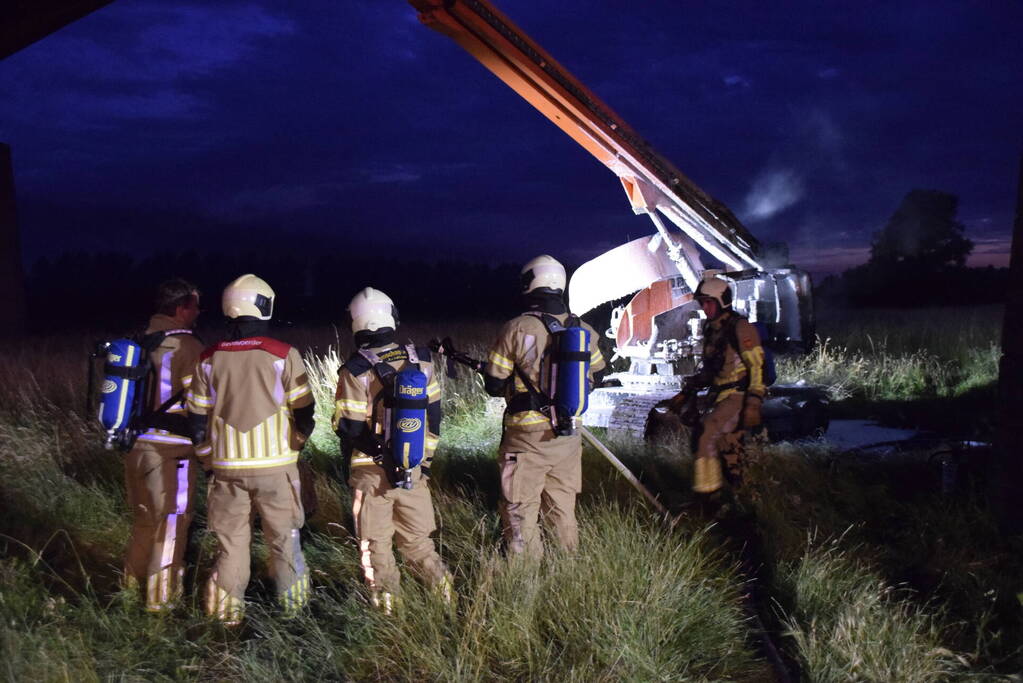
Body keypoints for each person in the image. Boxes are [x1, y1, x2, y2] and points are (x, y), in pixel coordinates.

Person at [187, 274, 315, 625]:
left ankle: (225, 621)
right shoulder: (284, 354)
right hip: (277, 470)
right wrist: (296, 447)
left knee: (230, 547)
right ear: (264, 306)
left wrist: (208, 462)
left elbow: (196, 421)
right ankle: (295, 614)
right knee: (286, 542)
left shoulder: (207, 358)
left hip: (226, 470)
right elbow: (305, 413)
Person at [332, 287, 451, 613]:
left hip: (371, 475)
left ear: (355, 322)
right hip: (414, 467)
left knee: (376, 546)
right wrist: (423, 463)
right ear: (391, 316)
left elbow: (349, 427)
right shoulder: (422, 360)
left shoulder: (354, 369)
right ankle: (445, 600)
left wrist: (381, 457)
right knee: (419, 544)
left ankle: (389, 614)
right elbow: (436, 416)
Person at [483, 255, 605, 557]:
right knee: (562, 507)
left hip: (526, 439)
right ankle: (567, 569)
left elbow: (494, 384)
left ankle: (524, 582)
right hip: (568, 437)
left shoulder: (516, 328)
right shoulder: (585, 330)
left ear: (529, 284)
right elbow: (599, 374)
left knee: (520, 510)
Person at [123, 278, 203, 612]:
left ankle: (129, 592)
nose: (199, 312)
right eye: (196, 305)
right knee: (171, 523)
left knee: (144, 522)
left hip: (134, 447)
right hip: (173, 452)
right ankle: (161, 603)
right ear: (182, 308)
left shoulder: (139, 341)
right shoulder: (189, 347)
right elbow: (202, 403)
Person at [664, 275, 766, 495]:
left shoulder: (740, 327)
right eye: (703, 303)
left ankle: (709, 497)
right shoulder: (712, 330)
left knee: (706, 434)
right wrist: (686, 392)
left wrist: (754, 403)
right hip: (718, 395)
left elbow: (758, 367)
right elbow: (710, 370)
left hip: (738, 396)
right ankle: (738, 497)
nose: (705, 308)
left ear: (722, 301)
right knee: (728, 450)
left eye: (709, 302)